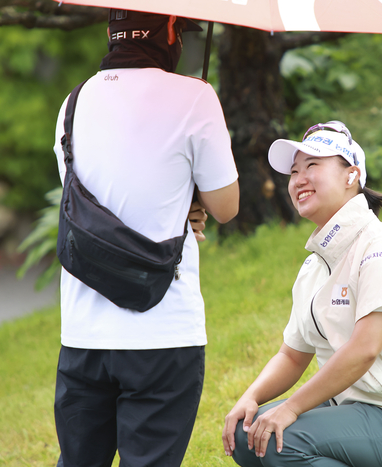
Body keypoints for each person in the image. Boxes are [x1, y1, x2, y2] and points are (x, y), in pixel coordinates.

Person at [52, 9, 239, 467]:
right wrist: (190, 198)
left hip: (82, 335)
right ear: (169, 33)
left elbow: (83, 202)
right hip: (162, 331)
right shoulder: (195, 97)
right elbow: (226, 206)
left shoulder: (72, 104)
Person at [222, 121, 382, 467]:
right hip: (356, 409)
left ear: (351, 175)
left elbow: (364, 349)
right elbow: (293, 356)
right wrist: (250, 398)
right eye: (294, 172)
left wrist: (290, 407)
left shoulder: (381, 247)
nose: (298, 180)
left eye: (312, 166)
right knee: (248, 435)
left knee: (281, 441)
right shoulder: (314, 267)